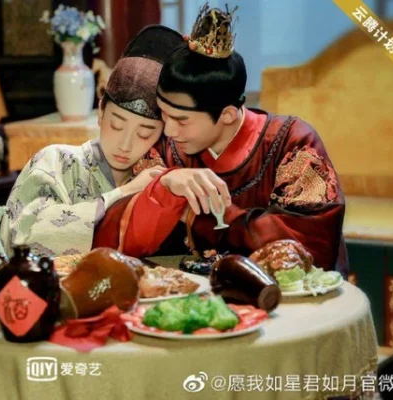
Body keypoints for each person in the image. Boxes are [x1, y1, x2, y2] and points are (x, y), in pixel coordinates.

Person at [93, 3, 348, 274]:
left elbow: (308, 245)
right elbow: (112, 236)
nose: (168, 131)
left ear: (227, 115)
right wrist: (164, 190)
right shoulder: (165, 146)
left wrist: (200, 214)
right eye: (164, 114)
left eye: (181, 120)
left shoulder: (293, 144)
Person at [0, 25, 183, 257]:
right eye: (117, 125)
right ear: (101, 112)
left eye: (144, 134)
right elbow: (23, 238)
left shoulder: (154, 178)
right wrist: (122, 193)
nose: (125, 145)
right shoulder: (55, 161)